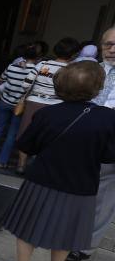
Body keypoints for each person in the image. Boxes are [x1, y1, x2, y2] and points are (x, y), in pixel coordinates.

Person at [3, 61, 115, 261]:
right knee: (68, 232)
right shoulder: (108, 118)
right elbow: (109, 156)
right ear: (97, 87)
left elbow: (27, 145)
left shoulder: (48, 114)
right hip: (81, 186)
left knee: (28, 226)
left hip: (42, 180)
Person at [69, 27, 115, 261]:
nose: (112, 50)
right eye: (108, 44)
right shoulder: (92, 70)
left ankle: (84, 246)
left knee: (103, 198)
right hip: (84, 138)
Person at [16, 37, 80, 174]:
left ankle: (21, 165)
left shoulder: (42, 65)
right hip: (56, 106)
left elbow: (25, 84)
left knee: (26, 132)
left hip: (34, 102)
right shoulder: (71, 70)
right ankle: (37, 165)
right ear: (74, 54)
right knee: (47, 135)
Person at [0, 43, 38, 168]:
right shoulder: (34, 71)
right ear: (36, 58)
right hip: (19, 105)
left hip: (5, 101)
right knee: (12, 133)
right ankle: (2, 161)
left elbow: (0, 80)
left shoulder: (12, 66)